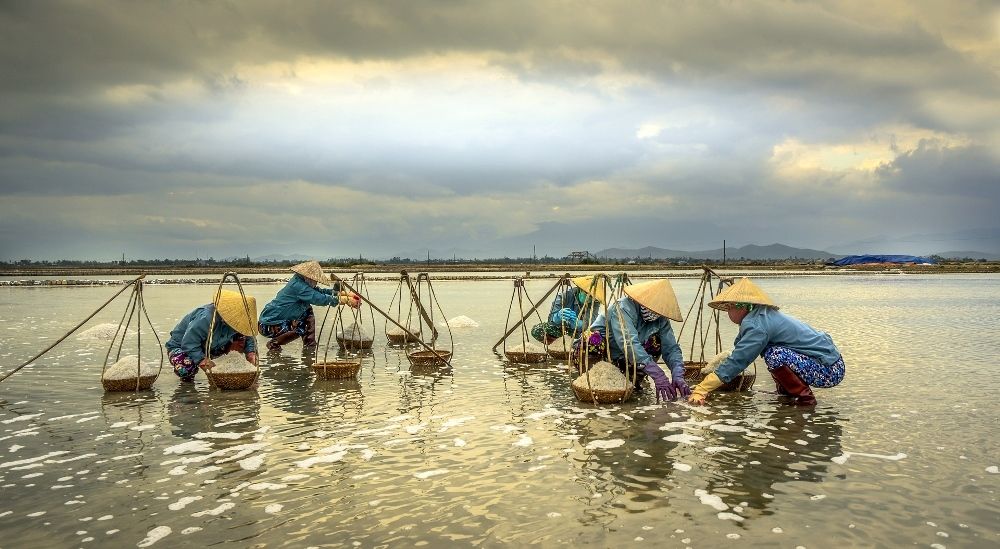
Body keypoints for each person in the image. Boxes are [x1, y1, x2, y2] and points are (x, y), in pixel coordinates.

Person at [688, 277, 845, 406]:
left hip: (829, 369)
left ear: (743, 307)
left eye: (729, 308)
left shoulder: (758, 325)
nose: (728, 313)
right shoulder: (759, 317)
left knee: (775, 355)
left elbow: (739, 361)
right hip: (826, 362)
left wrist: (702, 388)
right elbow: (741, 348)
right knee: (774, 353)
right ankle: (787, 395)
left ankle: (805, 401)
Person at [585, 279, 689, 402]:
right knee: (592, 342)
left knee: (656, 343)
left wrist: (678, 373)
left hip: (629, 357)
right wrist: (658, 374)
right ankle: (593, 380)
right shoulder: (624, 308)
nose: (656, 312)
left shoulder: (661, 319)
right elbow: (628, 342)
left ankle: (634, 379)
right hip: (606, 351)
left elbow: (671, 348)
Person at [257, 260, 361, 352]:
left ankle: (309, 346)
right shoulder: (298, 286)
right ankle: (274, 343)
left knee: (307, 312)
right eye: (315, 280)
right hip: (269, 325)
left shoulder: (301, 282)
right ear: (307, 277)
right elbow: (319, 298)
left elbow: (320, 291)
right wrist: (344, 300)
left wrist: (344, 294)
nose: (315, 282)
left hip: (279, 321)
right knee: (302, 326)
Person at [166, 289, 258, 382]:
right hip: (182, 346)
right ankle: (187, 382)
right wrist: (204, 362)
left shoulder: (241, 322)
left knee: (241, 342)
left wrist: (251, 354)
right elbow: (189, 343)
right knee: (187, 368)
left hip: (212, 346)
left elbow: (248, 335)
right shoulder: (206, 318)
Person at [531, 275, 605, 343]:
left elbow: (590, 322)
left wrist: (577, 323)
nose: (589, 298)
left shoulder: (595, 302)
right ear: (580, 290)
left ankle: (577, 346)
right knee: (537, 330)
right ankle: (557, 345)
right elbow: (551, 319)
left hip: (579, 332)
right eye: (587, 294)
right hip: (561, 329)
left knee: (597, 337)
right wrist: (557, 317)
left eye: (592, 297)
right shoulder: (564, 296)